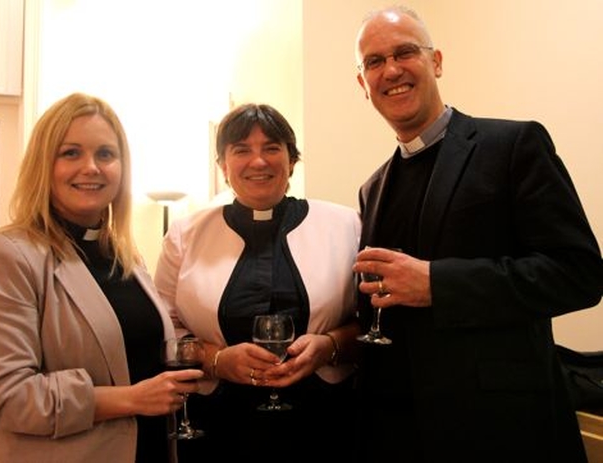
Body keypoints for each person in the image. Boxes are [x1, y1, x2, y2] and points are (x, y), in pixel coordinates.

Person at [351, 5, 603, 463]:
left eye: (405, 52)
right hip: (400, 436)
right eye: (373, 61)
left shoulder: (513, 146)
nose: (391, 70)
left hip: (502, 431)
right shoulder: (372, 188)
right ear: (362, 85)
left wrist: (437, 284)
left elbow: (580, 274)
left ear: (437, 61)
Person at [0, 92, 202, 463]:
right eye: (70, 153)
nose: (91, 167)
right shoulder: (6, 254)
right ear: (44, 164)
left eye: (105, 154)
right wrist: (131, 399)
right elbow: (8, 398)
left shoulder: (125, 255)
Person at [154, 103, 361, 463]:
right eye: (241, 150)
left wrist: (328, 347)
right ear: (223, 166)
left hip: (324, 421)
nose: (258, 161)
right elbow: (163, 329)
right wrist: (216, 359)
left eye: (271, 148)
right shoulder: (185, 235)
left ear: (292, 161)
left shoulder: (346, 226)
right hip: (216, 424)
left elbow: (376, 321)